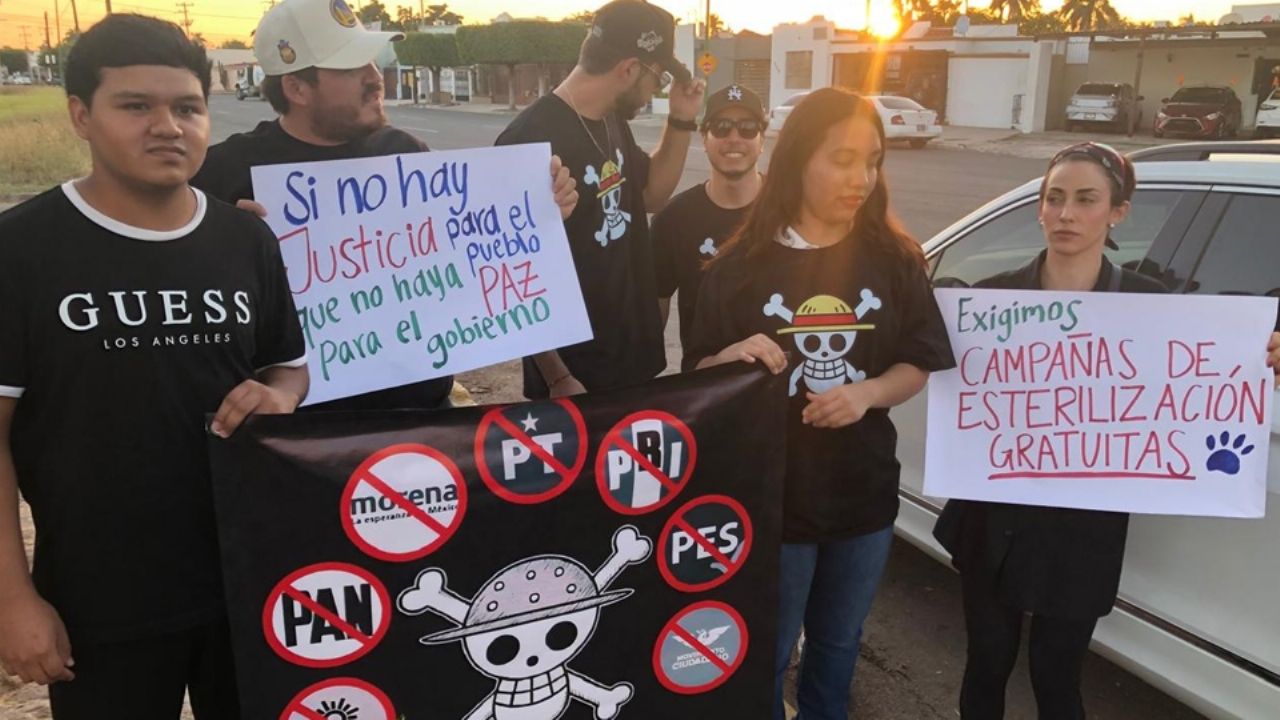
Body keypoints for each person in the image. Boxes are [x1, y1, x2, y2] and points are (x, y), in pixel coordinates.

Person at [0, 14, 308, 719]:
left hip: (247, 583)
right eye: (136, 106)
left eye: (187, 108)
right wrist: (13, 600)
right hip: (102, 603)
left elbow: (289, 369)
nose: (167, 127)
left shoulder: (245, 239)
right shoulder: (21, 251)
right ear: (81, 115)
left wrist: (279, 396)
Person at [931, 141, 1280, 720]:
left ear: (1118, 212)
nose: (1066, 214)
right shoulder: (987, 299)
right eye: (1054, 198)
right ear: (1040, 208)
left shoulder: (1151, 305)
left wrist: (1260, 355)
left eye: (1086, 199)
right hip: (994, 518)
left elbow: (1205, 370)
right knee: (987, 662)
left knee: (1057, 675)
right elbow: (932, 360)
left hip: (1082, 529)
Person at [684, 87, 956, 720]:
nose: (861, 179)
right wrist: (731, 355)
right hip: (770, 501)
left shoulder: (896, 260)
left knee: (837, 645)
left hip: (862, 497)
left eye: (873, 161)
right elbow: (695, 372)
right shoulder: (736, 268)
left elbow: (917, 362)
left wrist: (867, 393)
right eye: (842, 159)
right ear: (798, 159)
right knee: (768, 650)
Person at [192, 0, 577, 411]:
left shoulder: (406, 153)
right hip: (302, 430)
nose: (375, 78)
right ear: (296, 88)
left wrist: (537, 213)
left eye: (371, 62)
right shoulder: (220, 176)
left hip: (423, 418)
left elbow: (467, 262)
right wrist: (227, 253)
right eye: (351, 67)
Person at [496, 0, 705, 399]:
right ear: (629, 69)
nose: (656, 89)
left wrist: (681, 118)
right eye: (658, 77)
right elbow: (513, 276)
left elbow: (652, 195)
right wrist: (557, 378)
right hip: (576, 379)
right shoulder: (527, 140)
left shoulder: (610, 119)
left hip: (632, 362)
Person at [651, 83, 766, 362]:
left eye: (748, 128)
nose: (734, 138)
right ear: (704, 139)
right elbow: (652, 318)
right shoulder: (673, 220)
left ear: (762, 140)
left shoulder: (791, 209)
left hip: (781, 378)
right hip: (705, 379)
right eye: (721, 127)